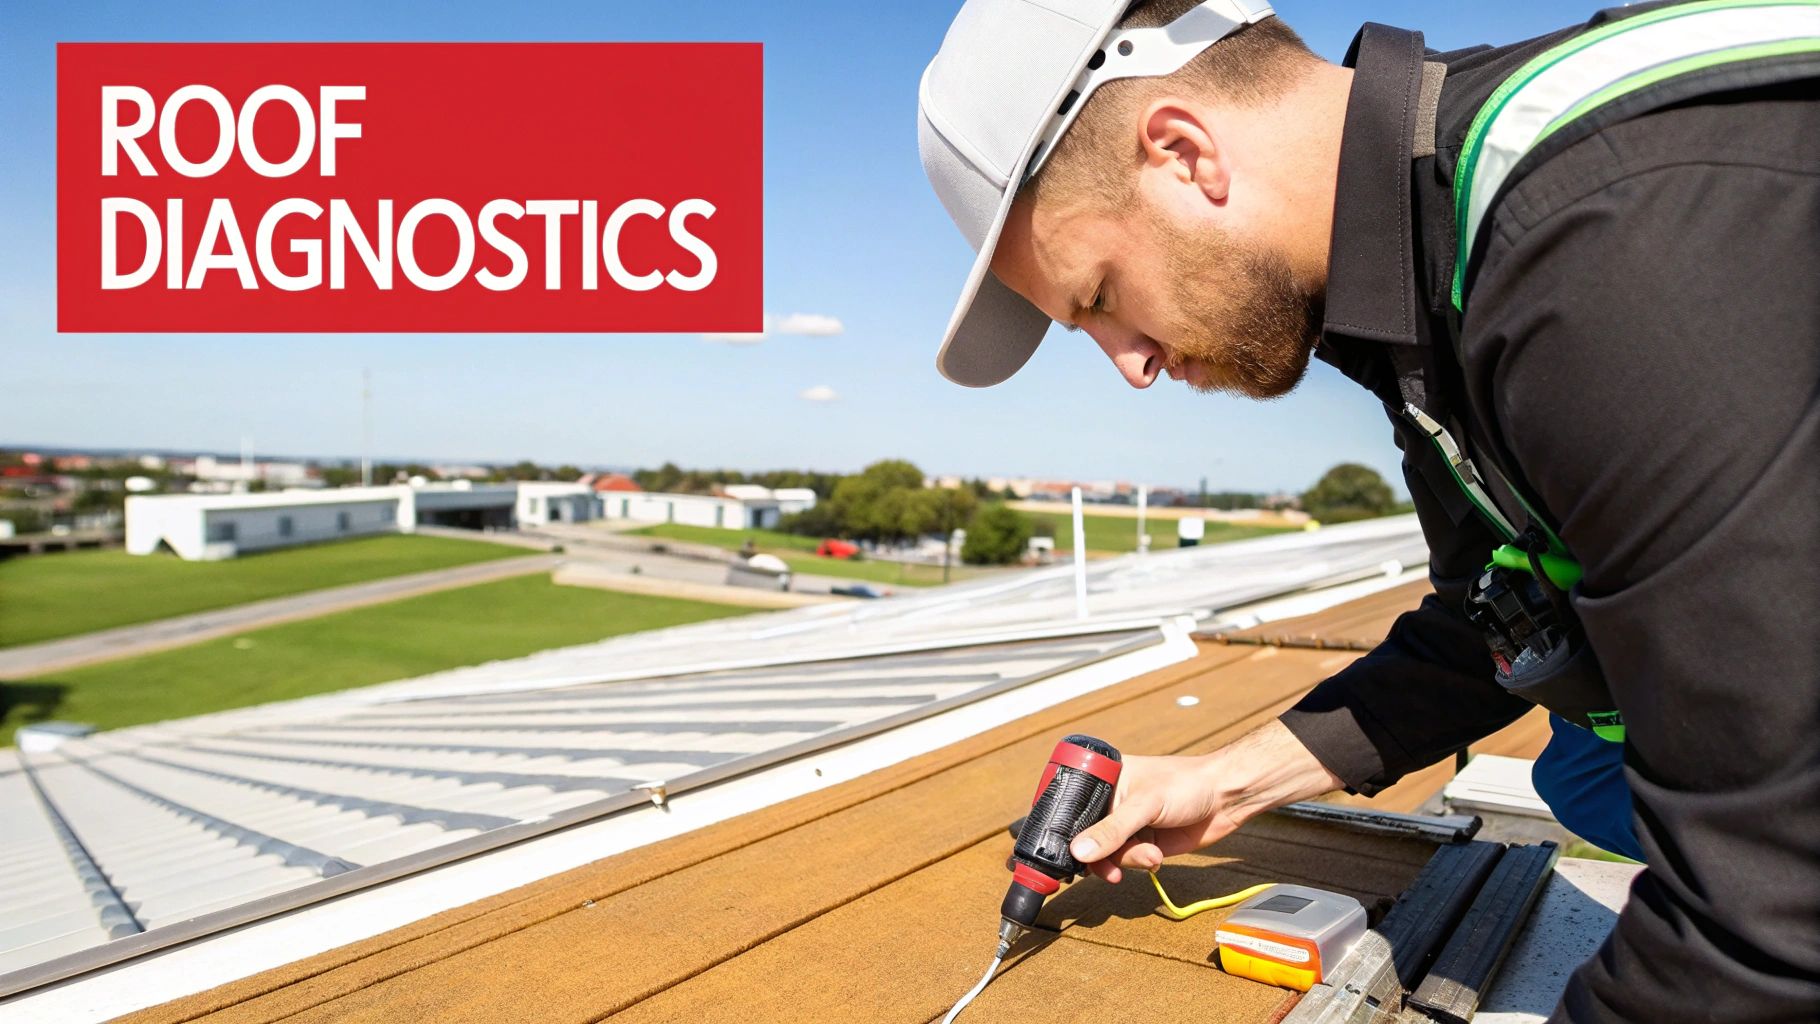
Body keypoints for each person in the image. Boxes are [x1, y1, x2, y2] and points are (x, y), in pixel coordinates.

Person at [916, 1, 1820, 1021]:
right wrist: (1225, 784)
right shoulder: (1430, 269)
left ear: (1180, 152)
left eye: (1097, 298)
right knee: (1586, 767)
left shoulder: (1603, 236)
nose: (1130, 366)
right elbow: (1498, 617)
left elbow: (1770, 907)